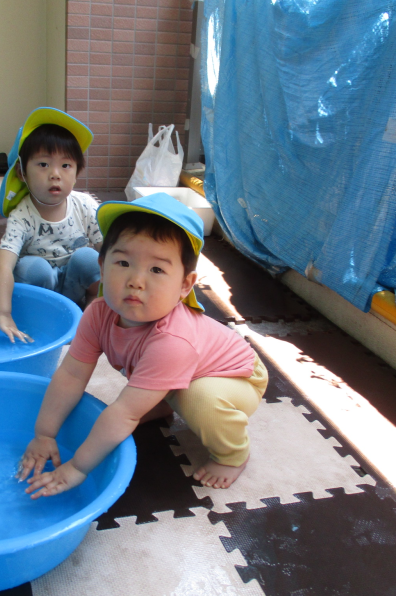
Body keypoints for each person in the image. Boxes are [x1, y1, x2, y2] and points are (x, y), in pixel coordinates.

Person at [16, 193, 268, 497]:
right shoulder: (98, 312)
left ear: (185, 285)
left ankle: (233, 456)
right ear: (102, 265)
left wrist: (77, 467)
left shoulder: (173, 340)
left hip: (236, 376)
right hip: (183, 368)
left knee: (198, 398)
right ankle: (162, 402)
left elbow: (124, 412)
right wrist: (45, 433)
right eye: (123, 262)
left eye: (157, 270)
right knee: (150, 383)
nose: (136, 280)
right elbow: (71, 374)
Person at [0, 108, 102, 343]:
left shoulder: (84, 205)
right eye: (43, 164)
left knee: (89, 257)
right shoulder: (22, 214)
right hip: (40, 292)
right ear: (22, 172)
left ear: (77, 172)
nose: (55, 174)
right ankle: (42, 319)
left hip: (75, 289)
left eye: (66, 166)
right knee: (34, 267)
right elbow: (3, 264)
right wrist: (4, 314)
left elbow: (112, 249)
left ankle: (93, 306)